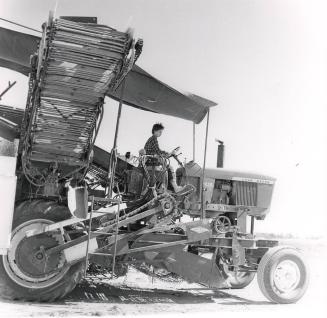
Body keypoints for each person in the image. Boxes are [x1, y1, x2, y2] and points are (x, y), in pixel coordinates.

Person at [144, 123, 183, 193]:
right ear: (155, 131)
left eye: (161, 132)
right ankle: (174, 187)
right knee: (169, 167)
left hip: (151, 159)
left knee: (166, 165)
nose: (161, 133)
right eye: (160, 132)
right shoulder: (153, 139)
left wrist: (167, 153)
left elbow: (158, 151)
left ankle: (170, 187)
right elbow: (158, 152)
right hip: (151, 160)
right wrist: (169, 154)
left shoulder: (152, 139)